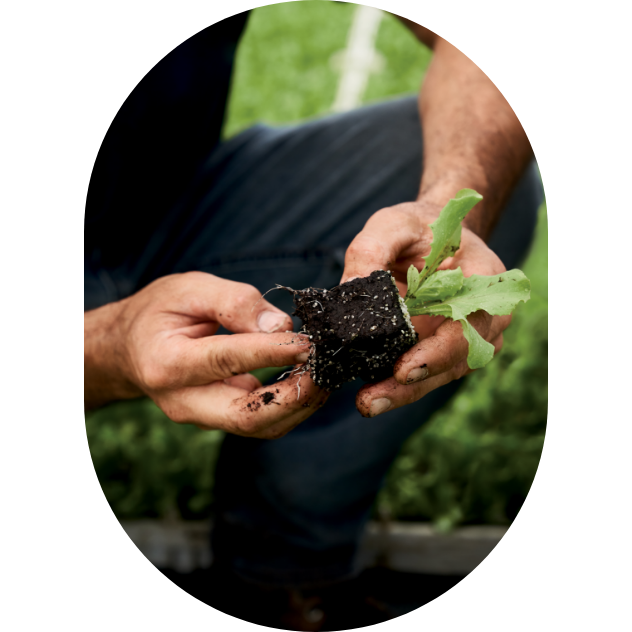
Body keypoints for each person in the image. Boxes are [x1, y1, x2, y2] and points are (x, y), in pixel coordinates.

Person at [83, 7, 543, 630]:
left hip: (161, 213)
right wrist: (110, 347)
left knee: (490, 182)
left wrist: (447, 203)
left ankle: (281, 574)